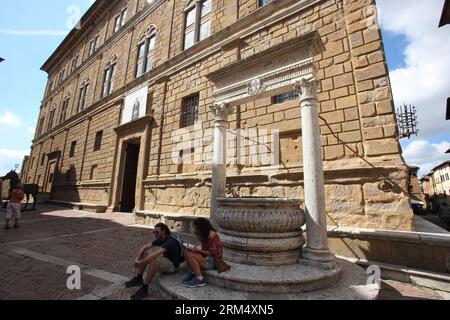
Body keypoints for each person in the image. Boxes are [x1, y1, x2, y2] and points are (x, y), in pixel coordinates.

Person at [125, 223, 183, 300]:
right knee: (145, 253)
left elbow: (154, 255)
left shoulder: (170, 241)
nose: (155, 234)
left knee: (153, 260)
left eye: (157, 232)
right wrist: (137, 259)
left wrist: (140, 262)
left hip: (172, 266)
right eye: (154, 232)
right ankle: (139, 278)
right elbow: (145, 247)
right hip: (165, 260)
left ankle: (145, 288)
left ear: (163, 231)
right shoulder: (161, 238)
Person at [182, 218, 224, 288]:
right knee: (186, 252)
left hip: (213, 262)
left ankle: (199, 279)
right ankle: (193, 273)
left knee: (189, 254)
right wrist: (194, 249)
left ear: (201, 227)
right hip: (207, 258)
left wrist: (198, 251)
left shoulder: (212, 235)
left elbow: (215, 253)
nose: (194, 229)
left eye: (196, 227)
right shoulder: (202, 234)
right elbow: (205, 249)